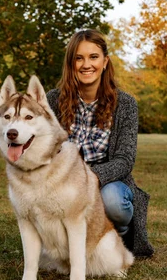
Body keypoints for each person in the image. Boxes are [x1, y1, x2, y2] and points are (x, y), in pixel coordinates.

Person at [46, 29, 154, 258]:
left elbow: (124, 160)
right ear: (70, 63)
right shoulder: (53, 101)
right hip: (63, 181)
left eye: (93, 57)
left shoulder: (125, 104)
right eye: (79, 58)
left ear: (105, 62)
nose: (87, 64)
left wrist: (88, 178)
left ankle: (118, 237)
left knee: (113, 201)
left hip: (108, 182)